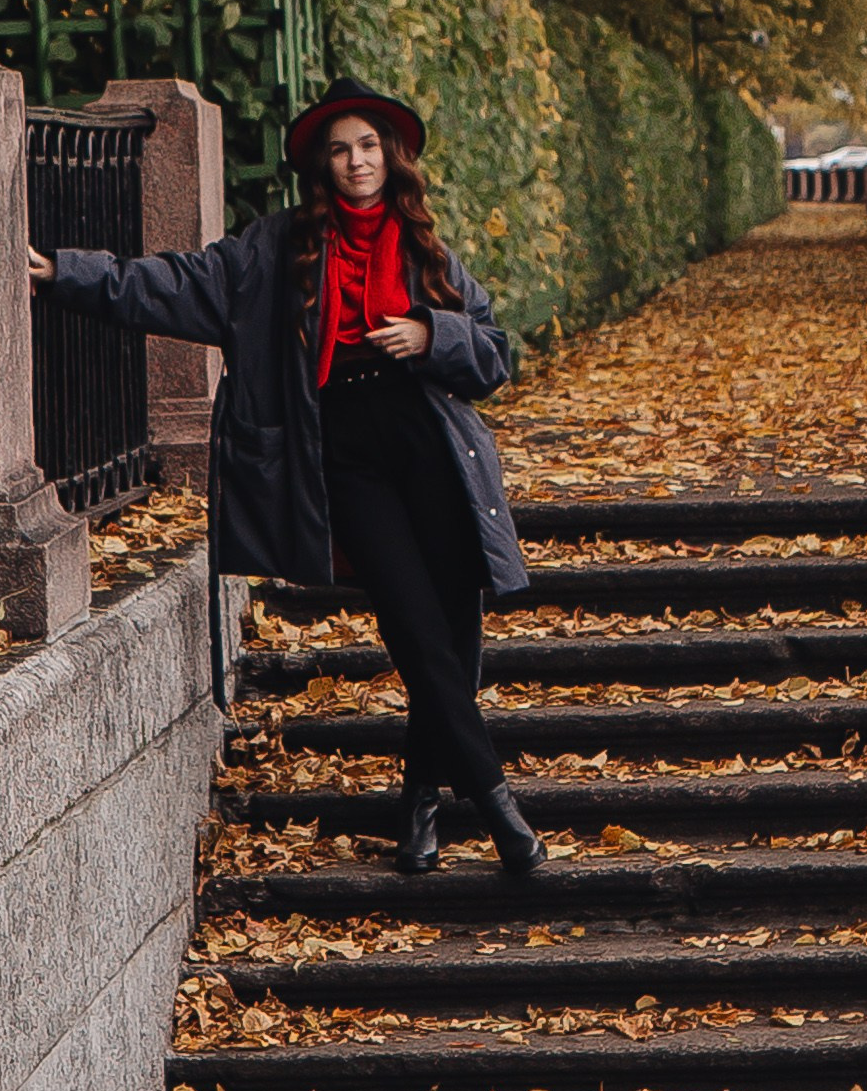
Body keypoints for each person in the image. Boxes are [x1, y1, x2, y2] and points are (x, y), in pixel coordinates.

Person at [31, 75, 544, 879]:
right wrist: (67, 272)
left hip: (429, 449)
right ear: (320, 165)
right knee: (412, 627)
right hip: (341, 453)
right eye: (340, 150)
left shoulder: (426, 249)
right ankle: (500, 805)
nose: (356, 161)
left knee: (448, 632)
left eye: (368, 145)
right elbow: (173, 283)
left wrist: (429, 332)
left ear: (391, 154)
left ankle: (418, 805)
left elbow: (493, 356)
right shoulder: (275, 249)